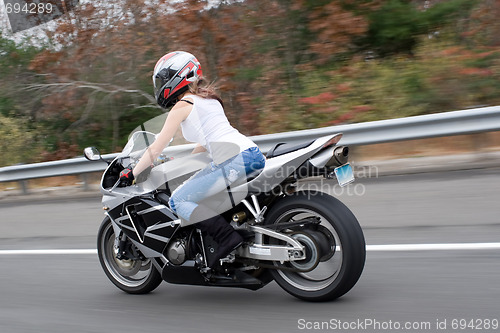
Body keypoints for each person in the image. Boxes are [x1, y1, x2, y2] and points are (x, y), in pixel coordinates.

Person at [118, 51, 266, 268]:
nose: (160, 85)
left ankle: (227, 239)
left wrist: (133, 172)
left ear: (177, 76)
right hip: (251, 154)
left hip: (233, 160)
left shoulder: (182, 106)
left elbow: (157, 146)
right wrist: (180, 163)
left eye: (162, 80)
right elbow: (205, 143)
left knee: (178, 200)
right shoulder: (209, 100)